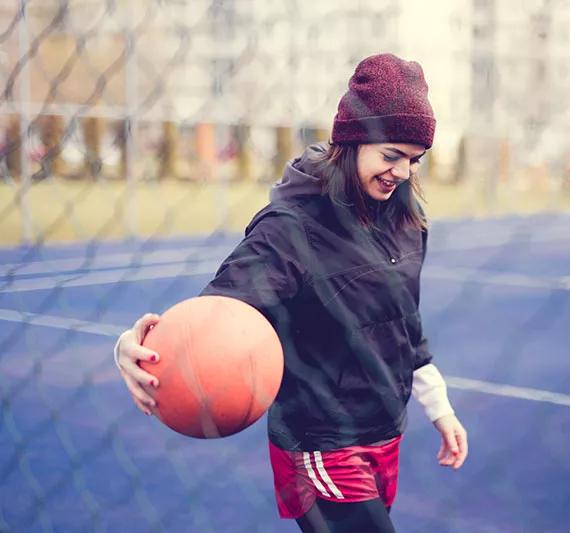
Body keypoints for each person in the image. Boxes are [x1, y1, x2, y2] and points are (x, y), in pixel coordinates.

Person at [114, 53, 468, 532]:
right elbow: (216, 314)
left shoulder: (407, 221)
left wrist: (439, 407)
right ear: (353, 140)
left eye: (413, 159)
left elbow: (406, 324)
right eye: (391, 156)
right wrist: (132, 348)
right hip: (318, 441)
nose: (403, 172)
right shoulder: (291, 229)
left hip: (385, 430)